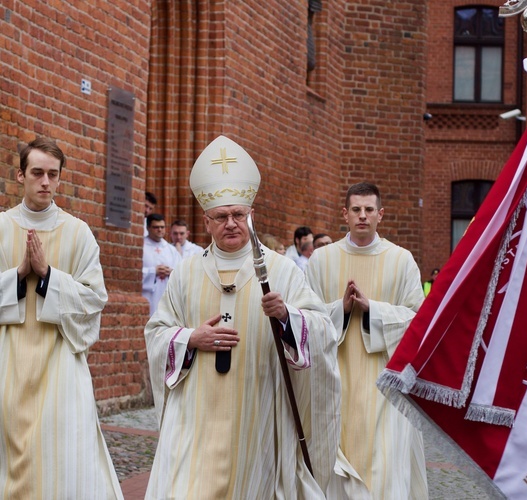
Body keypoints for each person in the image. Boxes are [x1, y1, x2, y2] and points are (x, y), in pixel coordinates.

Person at [144, 135, 341, 498]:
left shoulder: (281, 271)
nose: (231, 223)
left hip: (259, 413)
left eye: (238, 214)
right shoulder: (186, 273)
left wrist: (286, 317)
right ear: (206, 221)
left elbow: (323, 330)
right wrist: (190, 338)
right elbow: (156, 332)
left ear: (251, 215)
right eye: (221, 216)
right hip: (196, 415)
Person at [0, 137, 123, 498]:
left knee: (61, 454)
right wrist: (19, 274)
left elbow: (94, 299)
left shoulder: (78, 233)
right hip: (7, 361)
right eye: (37, 173)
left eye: (53, 175)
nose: (45, 182)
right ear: (20, 175)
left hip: (60, 364)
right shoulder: (1, 227)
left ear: (60, 179)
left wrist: (49, 276)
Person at [306, 181, 428, 497]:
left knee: (384, 470)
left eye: (369, 210)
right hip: (335, 383)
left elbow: (419, 323)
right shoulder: (321, 260)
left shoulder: (402, 260)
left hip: (385, 389)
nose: (363, 216)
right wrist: (342, 310)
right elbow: (305, 320)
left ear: (380, 214)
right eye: (356, 210)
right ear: (344, 214)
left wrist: (372, 309)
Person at [142, 213, 182, 315]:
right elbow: (132, 273)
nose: (160, 230)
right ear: (148, 228)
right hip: (147, 296)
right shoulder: (141, 247)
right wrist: (153, 271)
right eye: (156, 227)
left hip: (166, 297)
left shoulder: (171, 250)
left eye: (162, 227)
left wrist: (172, 272)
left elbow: (182, 272)